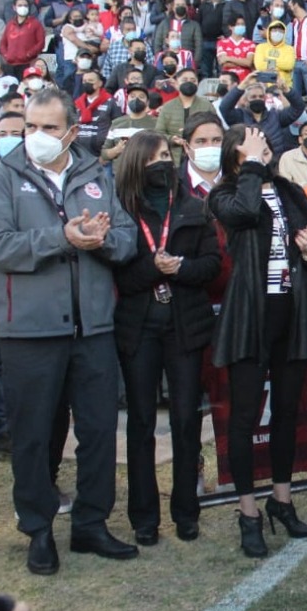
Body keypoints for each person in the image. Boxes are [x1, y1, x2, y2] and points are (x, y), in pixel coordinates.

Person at [0, 88, 139, 575]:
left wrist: (103, 241)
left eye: (49, 128)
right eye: (31, 127)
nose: (38, 137)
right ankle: (38, 528)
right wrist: (63, 237)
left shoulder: (95, 174)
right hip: (29, 331)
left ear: (71, 130)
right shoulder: (1, 179)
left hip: (92, 328)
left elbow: (127, 239)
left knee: (98, 430)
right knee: (34, 434)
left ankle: (90, 523)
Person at [208, 125, 307, 558]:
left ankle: (282, 499)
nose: (262, 145)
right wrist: (251, 165)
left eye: (264, 141)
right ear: (233, 152)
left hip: (290, 314)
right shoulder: (226, 193)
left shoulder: (290, 191)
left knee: (288, 412)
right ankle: (248, 512)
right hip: (249, 317)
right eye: (250, 141)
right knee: (243, 417)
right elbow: (242, 213)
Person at [112, 131, 220, 545]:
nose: (163, 162)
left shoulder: (194, 207)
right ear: (138, 163)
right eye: (154, 156)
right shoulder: (122, 210)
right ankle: (144, 517)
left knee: (186, 419)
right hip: (138, 328)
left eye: (166, 155)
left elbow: (211, 264)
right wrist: (154, 270)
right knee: (140, 423)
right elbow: (118, 272)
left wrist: (180, 269)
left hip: (184, 325)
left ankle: (186, 512)